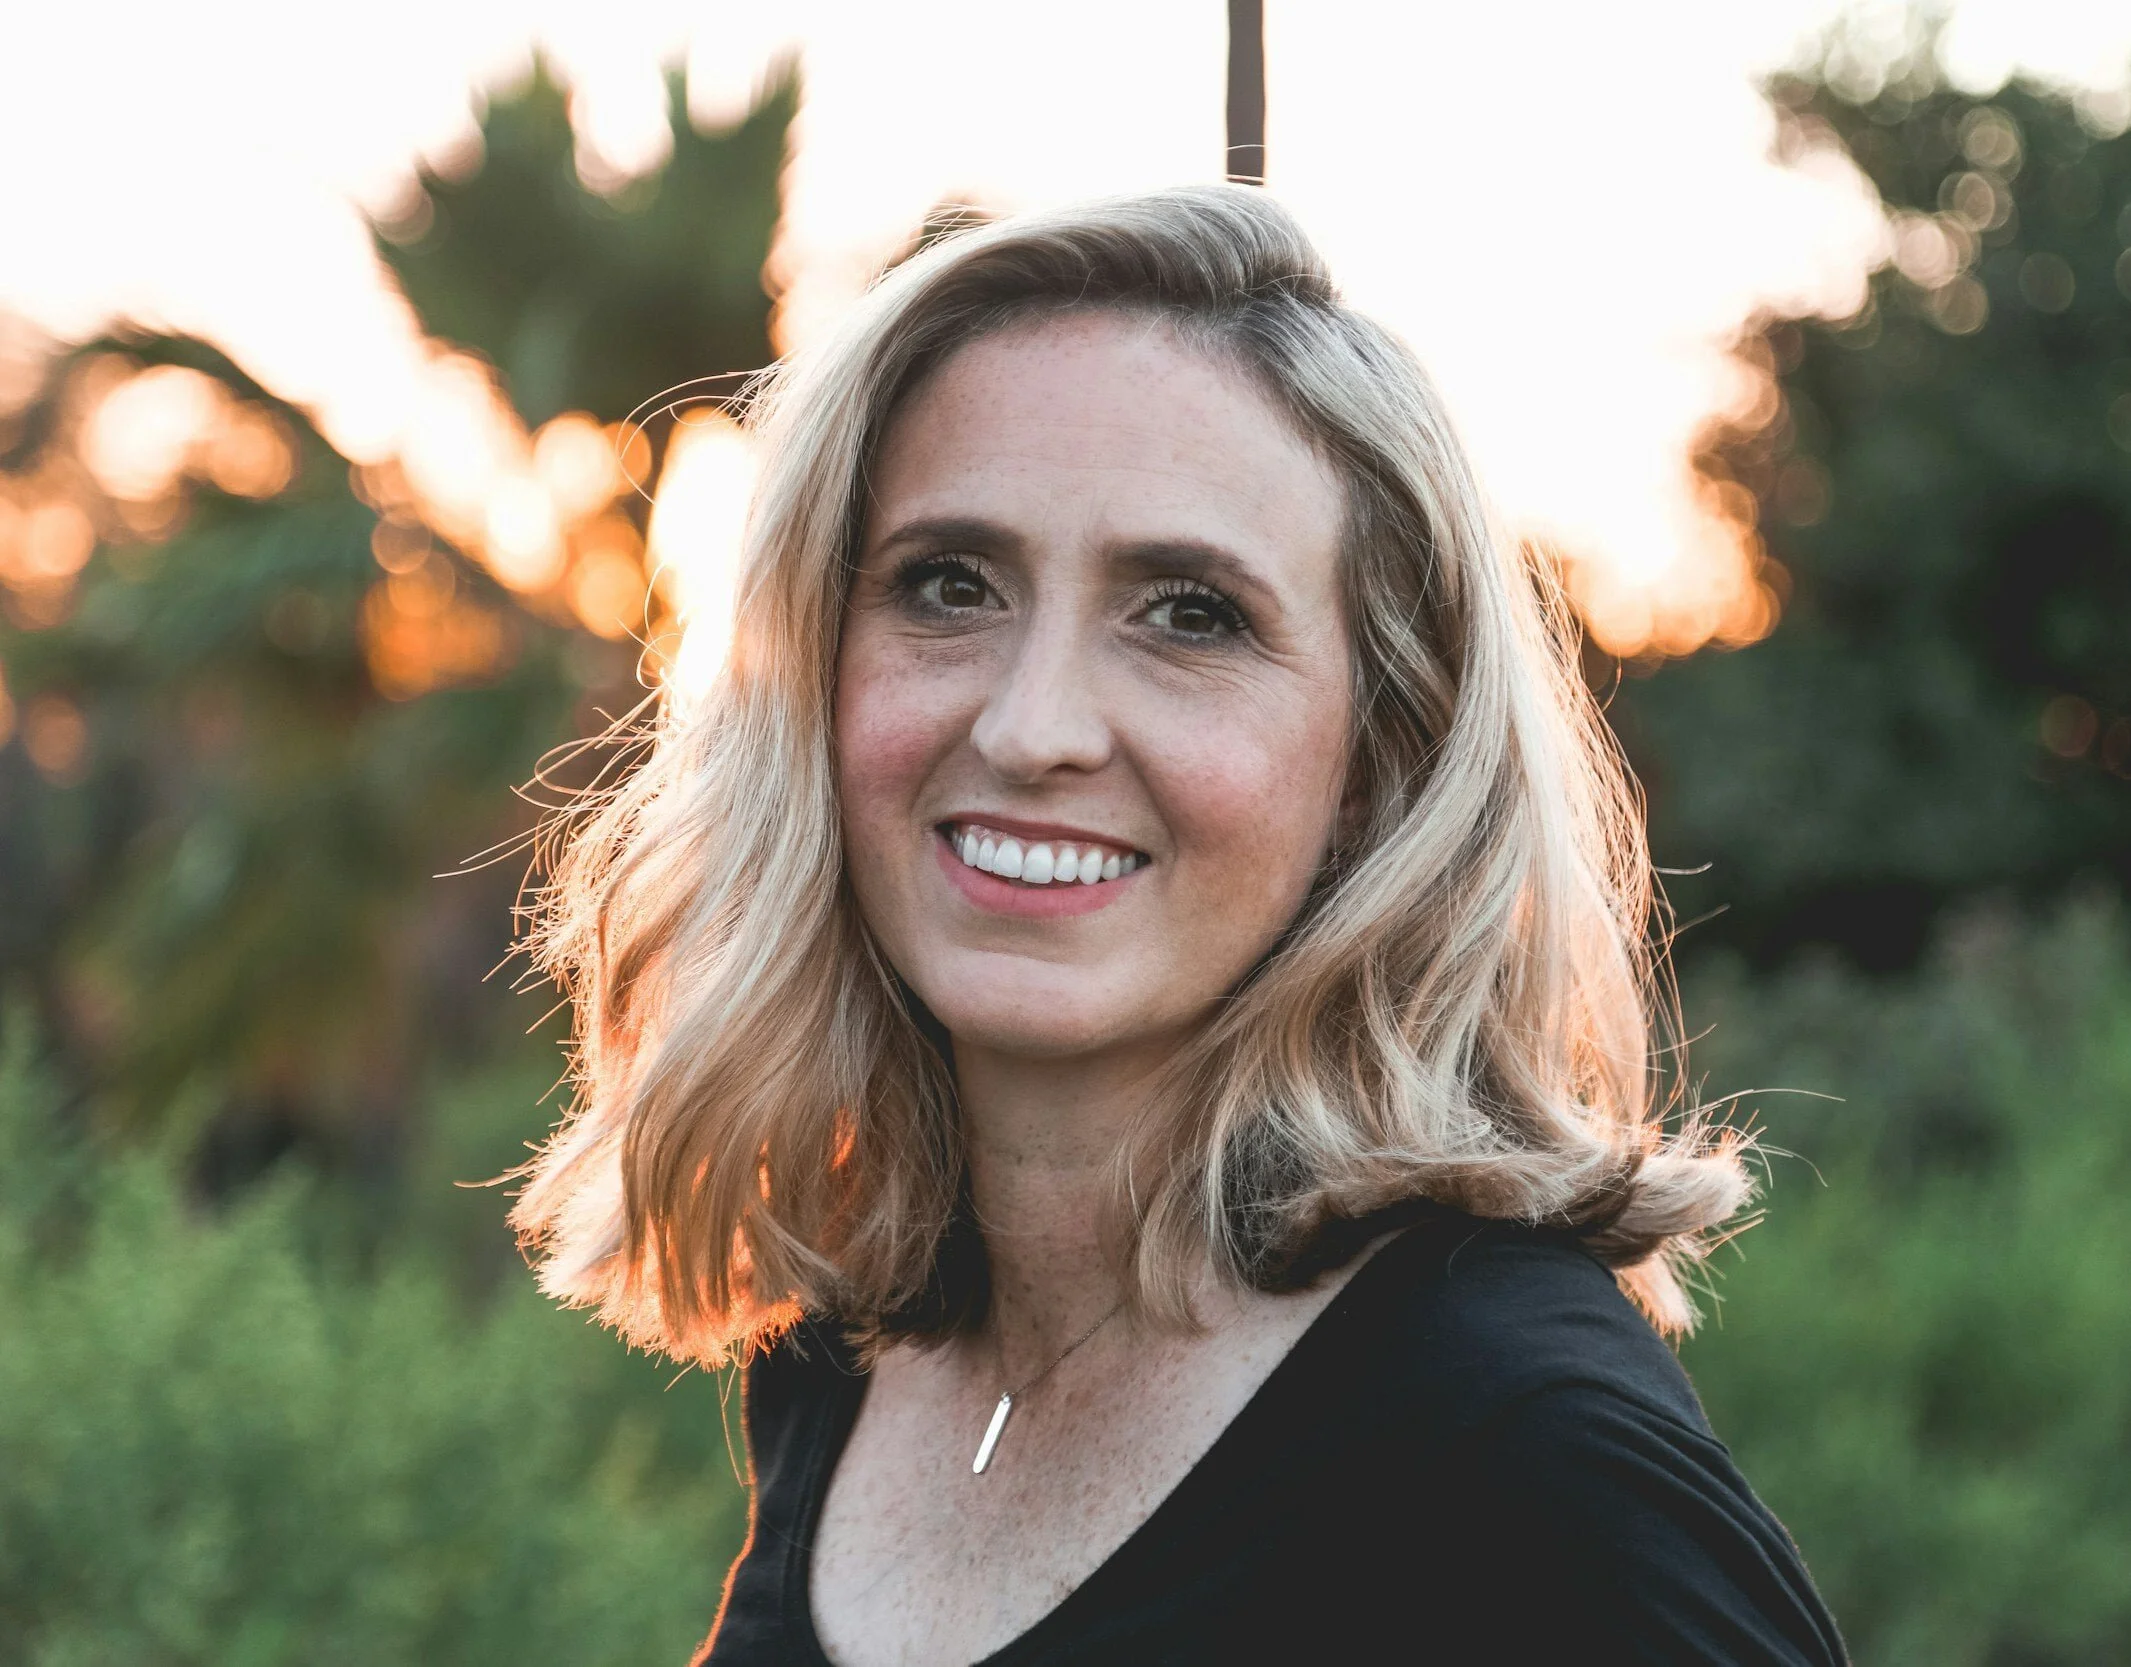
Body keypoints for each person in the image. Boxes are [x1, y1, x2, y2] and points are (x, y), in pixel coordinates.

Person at [513, 184, 1848, 1666]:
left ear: (1381, 756)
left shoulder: (1521, 1454)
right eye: (948, 586)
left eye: (1190, 613)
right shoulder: (853, 1350)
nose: (1033, 727)